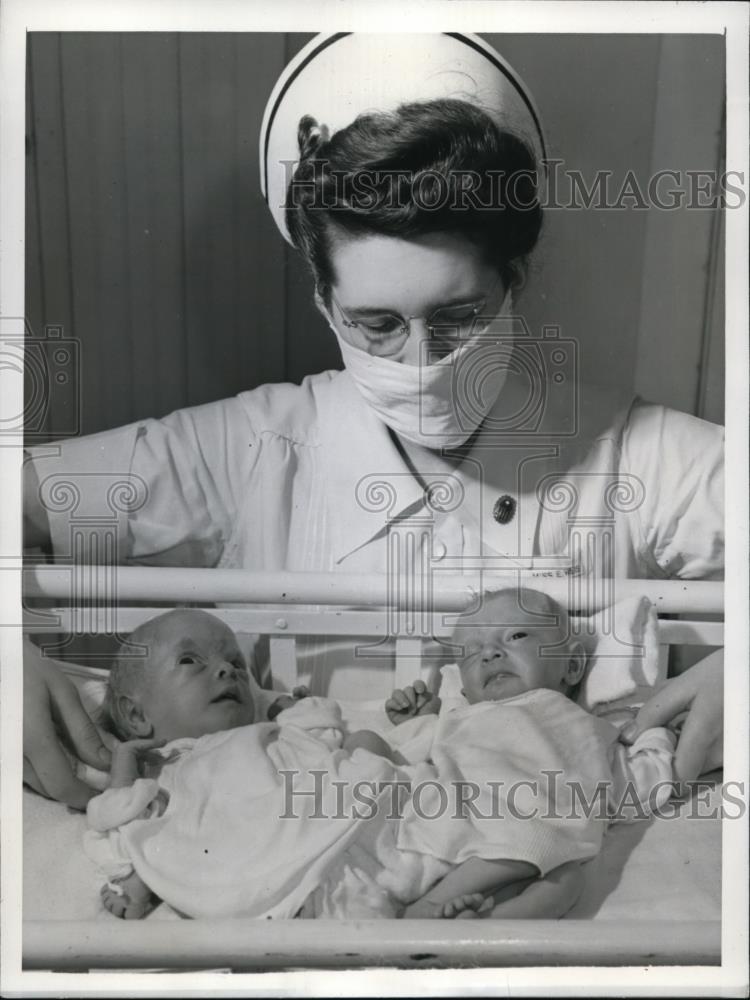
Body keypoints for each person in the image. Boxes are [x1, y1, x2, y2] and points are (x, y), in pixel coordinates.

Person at [23, 33, 724, 914]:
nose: (423, 359)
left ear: (518, 281)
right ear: (323, 301)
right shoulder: (247, 448)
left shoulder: (630, 450)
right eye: (376, 325)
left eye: (459, 314)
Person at [385, 586, 676, 918]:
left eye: (516, 635)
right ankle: (429, 909)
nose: (490, 653)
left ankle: (487, 925)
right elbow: (411, 757)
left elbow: (640, 780)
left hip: (532, 844)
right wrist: (419, 720)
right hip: (458, 824)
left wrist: (657, 732)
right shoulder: (459, 717)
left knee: (566, 881)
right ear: (464, 690)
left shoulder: (589, 728)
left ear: (573, 665)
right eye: (473, 650)